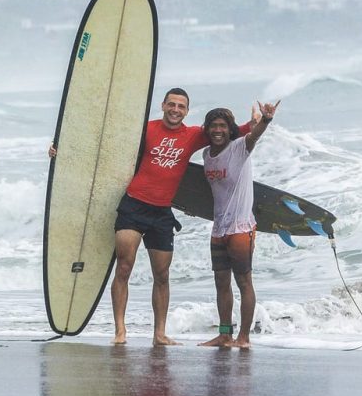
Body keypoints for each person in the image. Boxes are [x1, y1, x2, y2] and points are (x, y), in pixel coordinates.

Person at [49, 88, 254, 345]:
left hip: (162, 213)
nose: (176, 110)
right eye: (172, 104)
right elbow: (106, 145)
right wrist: (64, 150)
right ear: (163, 105)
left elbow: (226, 132)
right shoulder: (145, 129)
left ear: (187, 111)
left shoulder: (193, 136)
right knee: (124, 267)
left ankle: (159, 334)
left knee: (162, 275)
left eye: (181, 106)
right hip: (133, 206)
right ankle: (120, 331)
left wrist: (258, 123)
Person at [199, 100, 279, 349]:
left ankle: (244, 337)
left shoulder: (239, 147)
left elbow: (253, 137)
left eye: (223, 125)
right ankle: (225, 334)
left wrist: (265, 120)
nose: (218, 130)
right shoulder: (206, 155)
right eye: (213, 126)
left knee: (244, 282)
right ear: (207, 129)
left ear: (230, 128)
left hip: (241, 228)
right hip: (219, 228)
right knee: (221, 282)